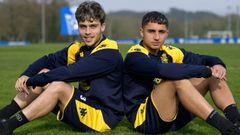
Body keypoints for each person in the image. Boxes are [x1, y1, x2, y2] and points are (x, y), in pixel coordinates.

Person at [0, 1, 124, 134]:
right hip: (85, 105)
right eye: (83, 26)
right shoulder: (78, 48)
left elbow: (69, 73)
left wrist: (31, 81)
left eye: (93, 26)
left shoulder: (109, 53)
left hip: (102, 117)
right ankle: (3, 115)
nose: (88, 32)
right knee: (44, 72)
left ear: (102, 27)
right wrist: (25, 75)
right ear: (78, 26)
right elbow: (48, 59)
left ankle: (7, 127)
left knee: (58, 86)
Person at [123, 11, 240, 134]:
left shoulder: (170, 51)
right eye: (151, 31)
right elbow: (163, 70)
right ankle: (228, 129)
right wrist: (205, 70)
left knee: (213, 75)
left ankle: (236, 121)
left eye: (161, 32)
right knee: (177, 79)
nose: (157, 37)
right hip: (145, 119)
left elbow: (204, 59)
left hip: (174, 115)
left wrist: (218, 65)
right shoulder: (135, 56)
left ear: (167, 33)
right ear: (142, 32)